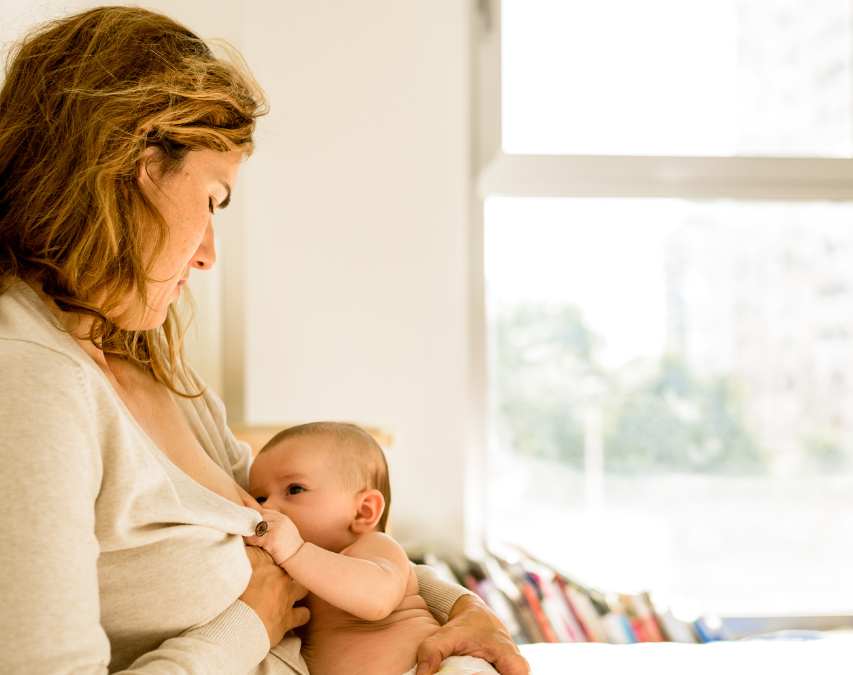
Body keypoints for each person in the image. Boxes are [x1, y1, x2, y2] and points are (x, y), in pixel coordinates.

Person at [0, 6, 530, 675]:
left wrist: (462, 609)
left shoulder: (148, 363)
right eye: (215, 200)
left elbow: (315, 547)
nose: (209, 255)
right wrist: (251, 622)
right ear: (134, 162)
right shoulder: (30, 381)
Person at [246, 421, 500, 675]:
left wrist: (296, 551)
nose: (267, 508)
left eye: (294, 489)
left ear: (363, 511)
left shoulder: (374, 547)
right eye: (260, 497)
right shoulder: (290, 574)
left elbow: (377, 599)